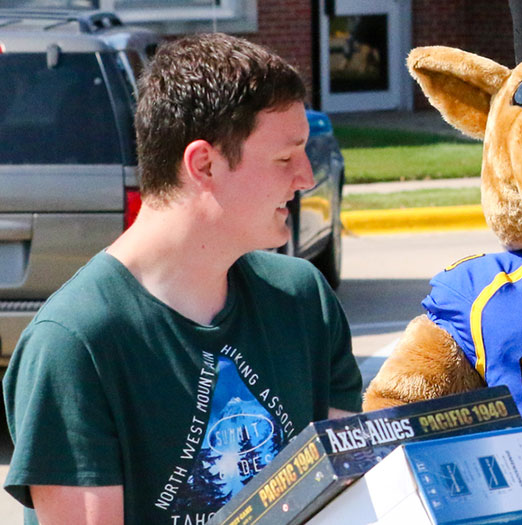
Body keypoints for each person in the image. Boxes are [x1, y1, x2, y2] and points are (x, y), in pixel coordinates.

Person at [2, 33, 363, 524]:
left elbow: (351, 499)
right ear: (204, 163)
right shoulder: (75, 344)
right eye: (285, 157)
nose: (305, 177)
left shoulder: (304, 299)